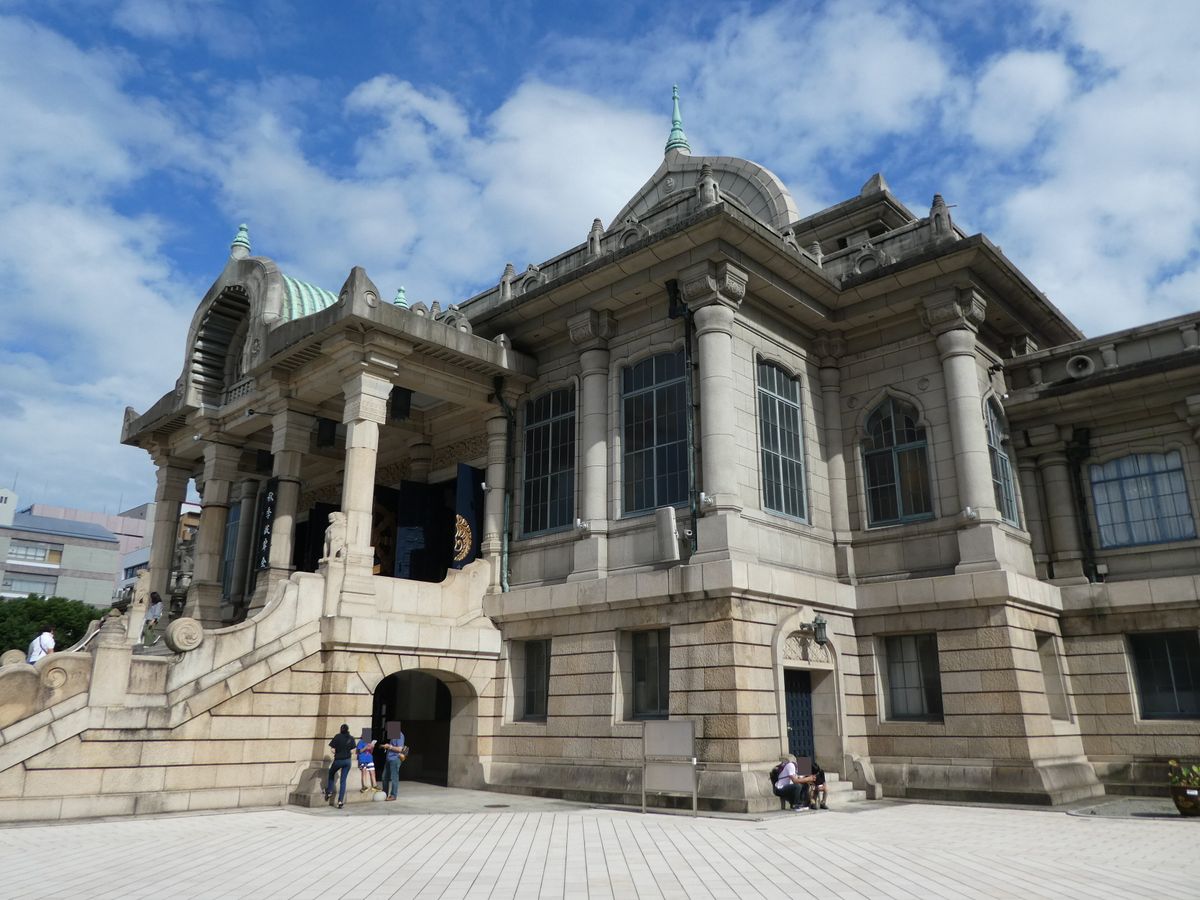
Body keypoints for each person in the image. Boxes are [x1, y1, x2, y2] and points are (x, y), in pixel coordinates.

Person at [325, 723, 356, 808]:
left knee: (331, 773)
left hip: (338, 760)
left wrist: (338, 752)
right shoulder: (351, 738)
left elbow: (332, 749)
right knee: (343, 781)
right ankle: (340, 801)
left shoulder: (337, 736)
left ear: (340, 729)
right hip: (347, 761)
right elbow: (353, 751)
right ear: (348, 729)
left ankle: (330, 791)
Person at [380, 722, 407, 801]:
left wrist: (389, 747)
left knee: (394, 778)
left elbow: (399, 749)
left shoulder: (400, 735)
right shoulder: (393, 735)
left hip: (395, 759)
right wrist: (387, 746)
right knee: (384, 777)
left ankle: (393, 795)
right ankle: (385, 793)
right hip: (389, 759)